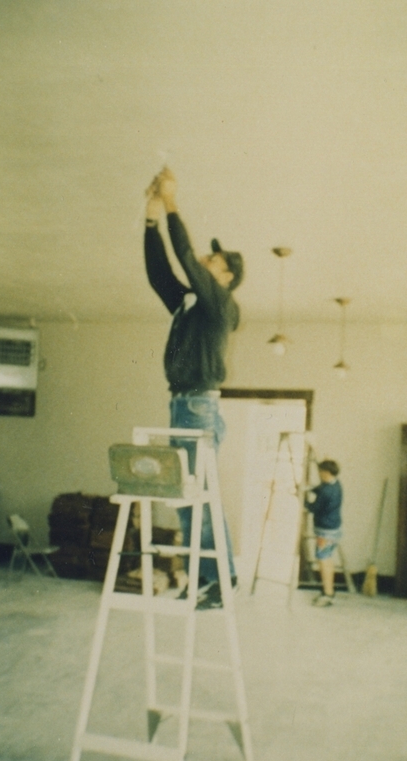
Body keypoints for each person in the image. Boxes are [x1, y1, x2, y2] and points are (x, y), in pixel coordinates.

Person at [143, 167, 244, 609]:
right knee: (188, 499)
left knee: (197, 496)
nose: (204, 260)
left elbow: (183, 257)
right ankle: (206, 577)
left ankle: (221, 578)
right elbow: (159, 272)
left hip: (198, 408)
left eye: (213, 262)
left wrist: (171, 203)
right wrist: (150, 221)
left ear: (224, 278)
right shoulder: (191, 304)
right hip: (184, 406)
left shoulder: (221, 304)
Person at [305, 459, 343, 607]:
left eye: (321, 472)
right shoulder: (336, 484)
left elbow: (314, 508)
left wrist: (300, 497)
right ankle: (329, 591)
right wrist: (311, 489)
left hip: (325, 532)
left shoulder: (326, 491)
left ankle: (327, 595)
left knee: (324, 561)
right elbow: (321, 488)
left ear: (326, 473)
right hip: (334, 529)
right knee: (328, 559)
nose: (319, 474)